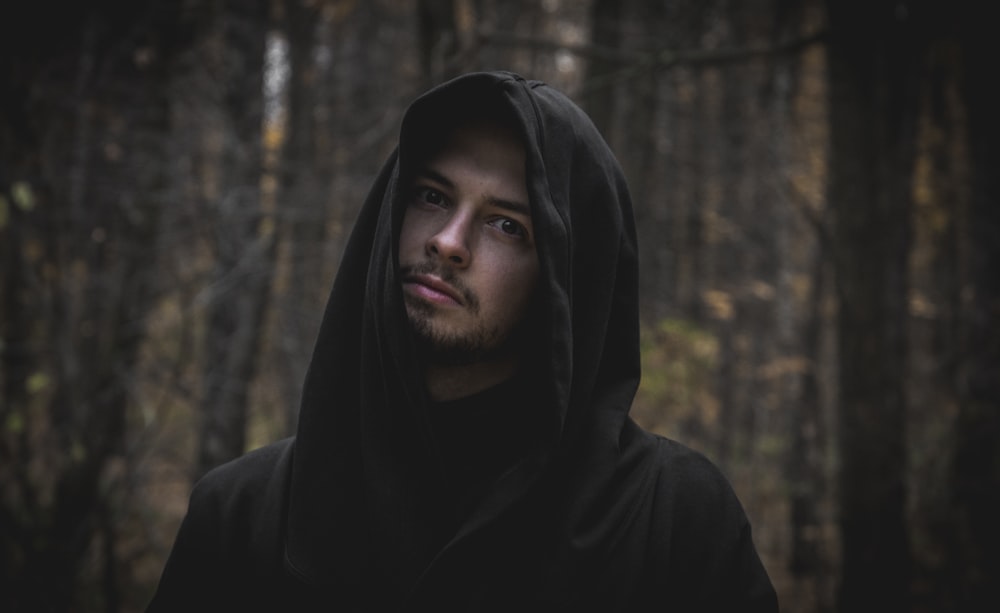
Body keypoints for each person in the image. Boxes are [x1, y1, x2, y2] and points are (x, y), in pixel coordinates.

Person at [147, 70, 778, 612]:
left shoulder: (673, 522)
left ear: (567, 278)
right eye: (431, 196)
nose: (448, 241)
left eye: (508, 224)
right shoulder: (241, 516)